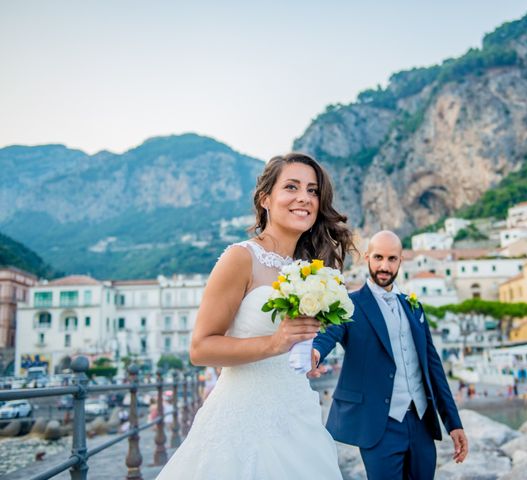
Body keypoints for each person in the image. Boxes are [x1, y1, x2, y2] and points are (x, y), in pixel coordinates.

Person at [156, 153, 354, 479]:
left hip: (297, 415)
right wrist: (274, 343)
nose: (304, 197)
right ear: (265, 199)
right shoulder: (241, 258)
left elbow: (291, 342)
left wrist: (303, 353)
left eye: (313, 190)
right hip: (242, 421)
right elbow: (200, 349)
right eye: (291, 187)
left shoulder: (309, 270)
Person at [311, 231, 468, 480]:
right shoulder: (349, 304)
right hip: (379, 427)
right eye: (379, 257)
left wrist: (454, 423)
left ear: (400, 261)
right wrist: (315, 353)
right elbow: (327, 335)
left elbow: (433, 367)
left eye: (392, 259)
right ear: (366, 258)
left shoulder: (413, 306)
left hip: (421, 425)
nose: (385, 266)